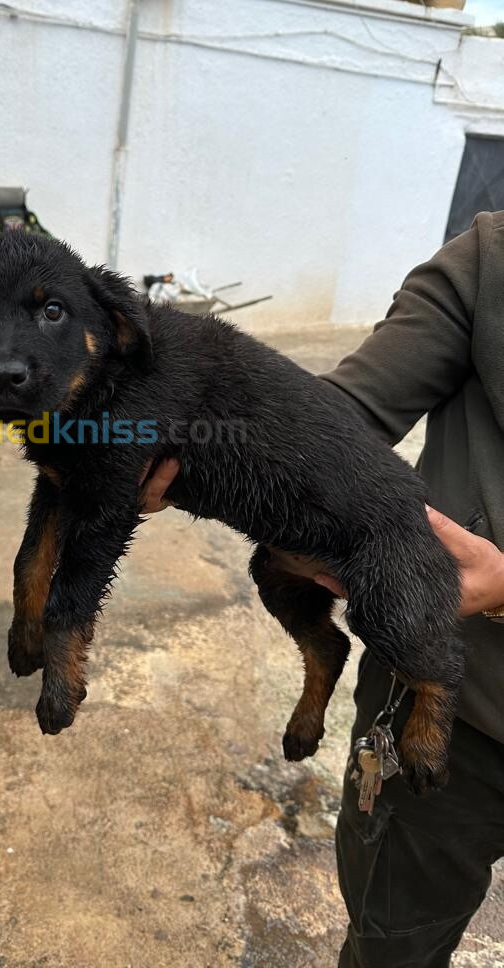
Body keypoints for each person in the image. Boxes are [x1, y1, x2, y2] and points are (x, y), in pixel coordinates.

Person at [139, 212, 504, 967]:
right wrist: (195, 443)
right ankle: (324, 667)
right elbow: (339, 415)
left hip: (442, 665)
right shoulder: (492, 257)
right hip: (448, 724)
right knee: (389, 941)